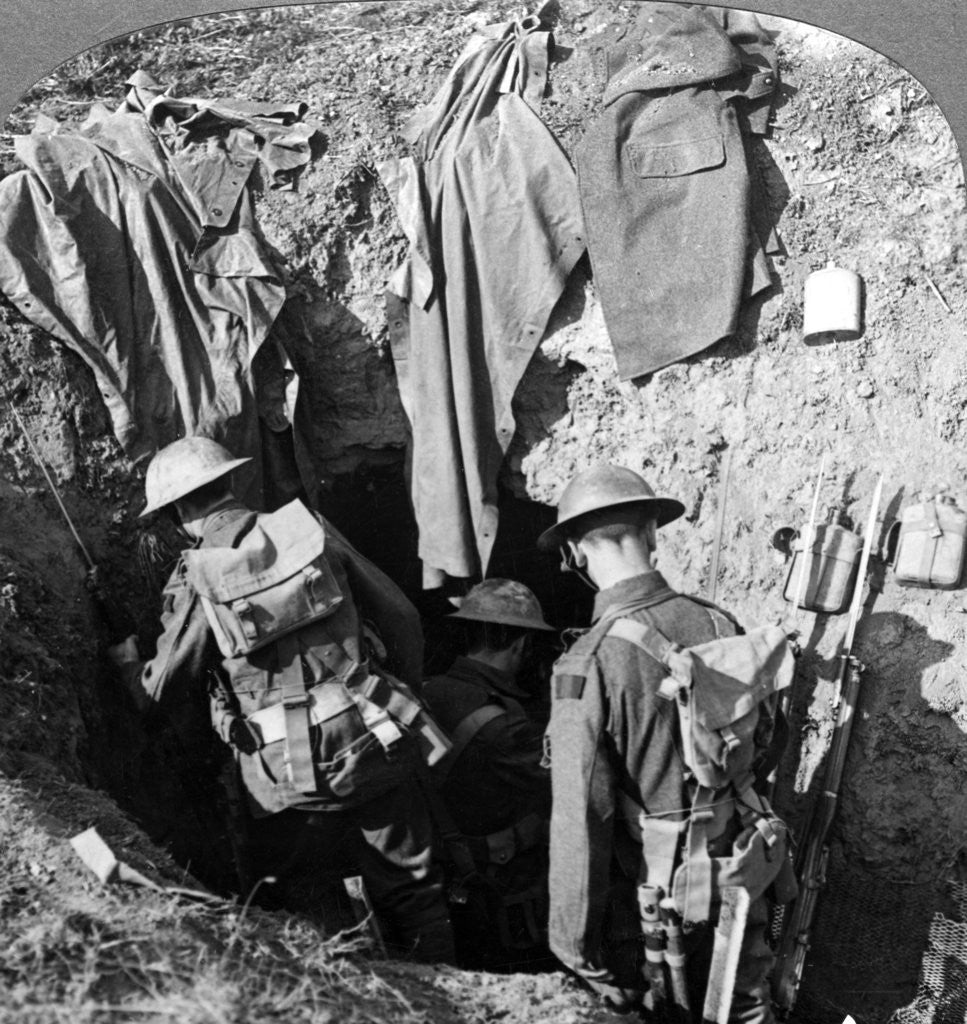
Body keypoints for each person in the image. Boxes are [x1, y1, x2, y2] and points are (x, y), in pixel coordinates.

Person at [108, 436, 454, 962]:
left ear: (179, 512)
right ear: (230, 482)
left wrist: (130, 668)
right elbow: (403, 618)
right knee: (415, 891)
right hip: (372, 739)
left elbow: (162, 690)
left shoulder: (199, 573)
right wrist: (395, 697)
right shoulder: (307, 529)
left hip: (283, 777)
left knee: (309, 908)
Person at [537, 463, 784, 1021]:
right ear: (652, 534)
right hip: (742, 866)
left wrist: (574, 948)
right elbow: (766, 741)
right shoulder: (719, 623)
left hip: (653, 902)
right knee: (746, 1004)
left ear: (574, 552)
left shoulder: (586, 664)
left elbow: (582, 817)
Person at [421, 579, 555, 968]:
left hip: (446, 874)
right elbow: (561, 779)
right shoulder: (503, 724)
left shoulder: (429, 690)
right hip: (501, 882)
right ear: (522, 644)